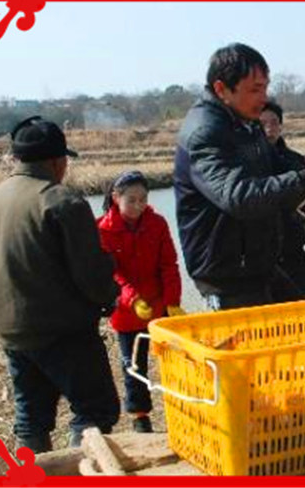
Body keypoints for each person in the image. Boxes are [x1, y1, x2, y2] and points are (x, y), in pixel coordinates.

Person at [0, 116, 120, 452]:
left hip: (11, 331)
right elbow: (90, 274)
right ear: (56, 161)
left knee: (31, 417)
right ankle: (81, 472)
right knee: (94, 410)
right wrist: (113, 295)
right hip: (62, 330)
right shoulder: (61, 201)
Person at [174, 43, 305, 311]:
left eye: (265, 87)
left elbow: (273, 171)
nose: (263, 97)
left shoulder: (246, 122)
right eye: (254, 89)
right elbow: (239, 197)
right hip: (226, 275)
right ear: (221, 89)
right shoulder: (205, 133)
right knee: (255, 350)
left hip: (260, 264)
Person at [97, 170, 183, 434]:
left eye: (143, 199)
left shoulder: (157, 223)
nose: (138, 205)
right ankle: (140, 417)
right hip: (127, 311)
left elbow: (169, 264)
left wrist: (172, 301)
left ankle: (181, 410)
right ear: (116, 197)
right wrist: (132, 299)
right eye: (131, 200)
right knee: (134, 367)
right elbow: (112, 273)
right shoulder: (102, 229)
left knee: (175, 362)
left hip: (159, 307)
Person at [260, 101, 305, 302]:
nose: (269, 129)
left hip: (293, 251)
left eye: (274, 123)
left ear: (281, 126)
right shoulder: (248, 164)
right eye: (262, 123)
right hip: (261, 257)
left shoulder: (296, 161)